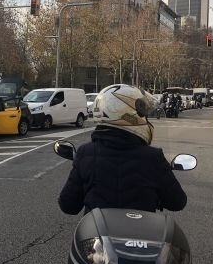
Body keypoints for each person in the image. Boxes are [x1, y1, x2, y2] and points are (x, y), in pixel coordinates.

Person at [58, 84, 187, 215]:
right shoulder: (153, 157)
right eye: (142, 113)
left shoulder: (86, 153)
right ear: (127, 114)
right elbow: (177, 202)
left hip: (98, 233)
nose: (145, 118)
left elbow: (68, 205)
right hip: (141, 232)